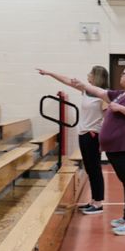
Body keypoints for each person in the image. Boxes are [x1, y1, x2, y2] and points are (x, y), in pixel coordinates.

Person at [74, 65, 125, 236]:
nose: (120, 76)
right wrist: (82, 84)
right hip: (116, 148)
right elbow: (100, 92)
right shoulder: (122, 94)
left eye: (123, 74)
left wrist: (120, 108)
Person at [37, 65, 110, 213]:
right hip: (83, 134)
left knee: (95, 169)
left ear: (97, 76)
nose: (87, 75)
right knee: (89, 169)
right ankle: (94, 200)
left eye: (90, 73)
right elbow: (67, 81)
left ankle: (98, 203)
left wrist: (103, 140)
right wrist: (50, 72)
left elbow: (108, 119)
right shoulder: (86, 90)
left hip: (92, 135)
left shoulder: (103, 95)